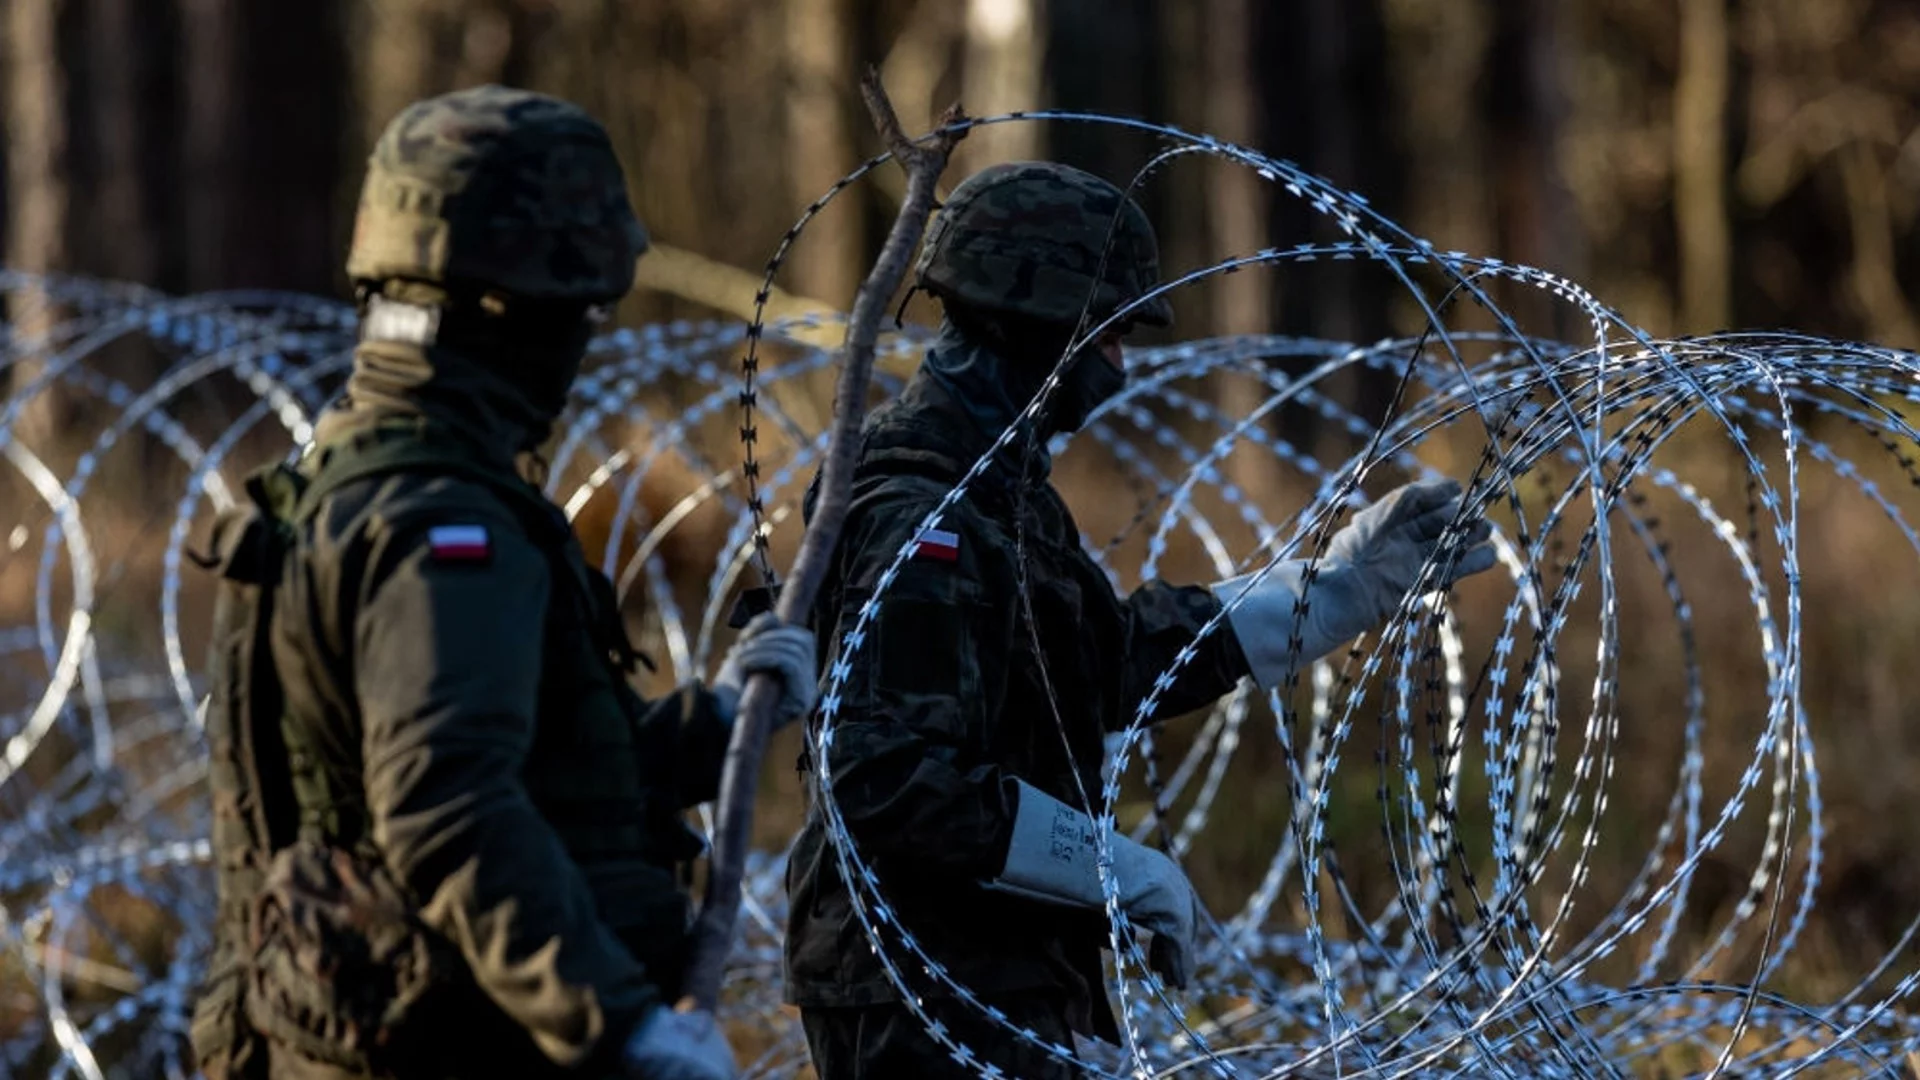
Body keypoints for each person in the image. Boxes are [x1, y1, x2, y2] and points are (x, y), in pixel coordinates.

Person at [781, 161, 1499, 1078]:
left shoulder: (1001, 493)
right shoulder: (924, 515)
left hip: (990, 970)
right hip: (923, 987)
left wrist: (1329, 594)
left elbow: (1103, 659)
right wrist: (1106, 864)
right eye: (1109, 330)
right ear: (1031, 320)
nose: (1122, 361)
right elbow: (883, 777)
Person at [187, 85, 815, 1080]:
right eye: (579, 310)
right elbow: (448, 806)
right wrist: (620, 1024)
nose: (585, 338)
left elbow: (545, 777)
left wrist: (730, 717)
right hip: (462, 1044)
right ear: (511, 308)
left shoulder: (355, 484)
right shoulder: (442, 524)